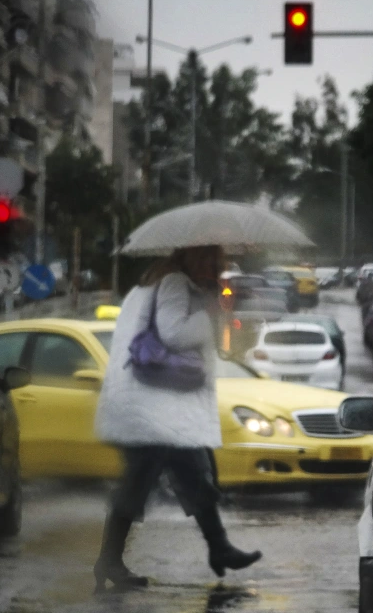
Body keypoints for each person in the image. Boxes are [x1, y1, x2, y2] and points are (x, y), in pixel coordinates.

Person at [92, 245, 261, 592]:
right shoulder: (174, 283)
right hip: (156, 408)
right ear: (188, 257)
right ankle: (111, 560)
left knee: (191, 473)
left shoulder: (149, 286)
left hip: (152, 404)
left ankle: (218, 548)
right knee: (146, 481)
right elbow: (174, 334)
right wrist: (208, 314)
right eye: (206, 259)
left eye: (216, 261)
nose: (213, 266)